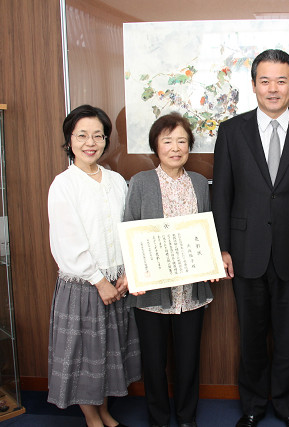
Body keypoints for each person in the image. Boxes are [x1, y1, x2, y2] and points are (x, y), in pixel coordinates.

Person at [212, 49, 289, 427]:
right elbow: (222, 194)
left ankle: (288, 406)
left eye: (281, 81)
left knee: (287, 336)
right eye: (265, 81)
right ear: (253, 85)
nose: (273, 89)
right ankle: (251, 406)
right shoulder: (232, 131)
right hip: (245, 252)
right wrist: (222, 248)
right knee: (251, 336)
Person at [47, 104, 141, 427]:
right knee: (87, 355)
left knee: (105, 354)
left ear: (106, 140)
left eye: (98, 136)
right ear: (69, 139)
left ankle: (104, 411)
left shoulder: (117, 181)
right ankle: (92, 418)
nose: (91, 142)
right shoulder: (64, 184)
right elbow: (68, 239)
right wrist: (97, 280)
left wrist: (128, 271)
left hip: (117, 281)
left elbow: (129, 228)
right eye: (82, 135)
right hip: (85, 285)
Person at [123, 112, 213, 427]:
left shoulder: (200, 183)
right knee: (154, 361)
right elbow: (129, 230)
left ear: (189, 146)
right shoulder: (141, 182)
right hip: (151, 288)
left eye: (182, 141)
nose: (175, 148)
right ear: (156, 146)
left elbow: (207, 231)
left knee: (188, 361)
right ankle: (159, 418)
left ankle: (187, 417)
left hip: (191, 291)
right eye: (167, 141)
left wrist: (211, 260)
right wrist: (133, 274)